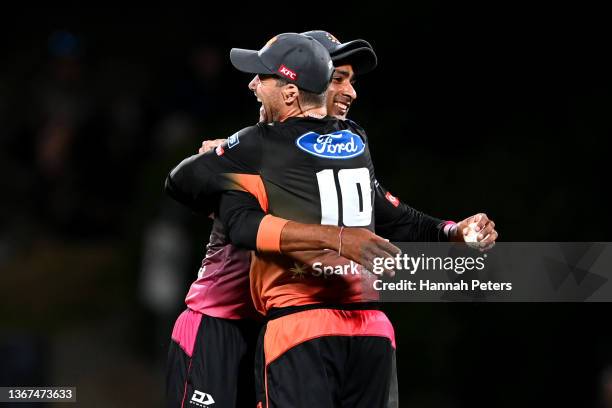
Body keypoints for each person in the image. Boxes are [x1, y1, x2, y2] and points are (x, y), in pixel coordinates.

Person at [166, 32, 497, 407]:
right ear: (305, 84)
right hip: (224, 325)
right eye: (338, 78)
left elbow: (390, 216)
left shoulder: (346, 145)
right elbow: (236, 221)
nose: (350, 92)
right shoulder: (251, 151)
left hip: (289, 324)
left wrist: (452, 231)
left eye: (350, 80)